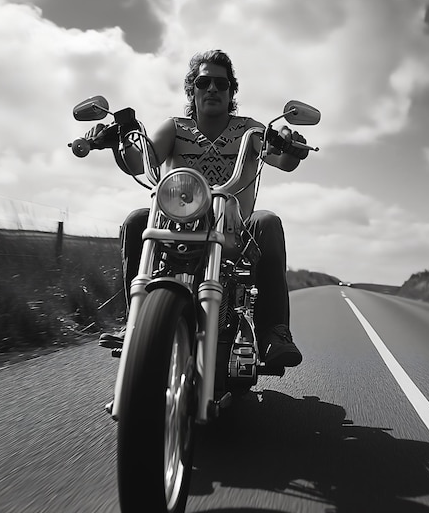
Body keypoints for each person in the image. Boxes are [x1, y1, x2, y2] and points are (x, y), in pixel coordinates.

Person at [92, 49, 309, 367]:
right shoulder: (174, 128)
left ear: (231, 91)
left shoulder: (248, 128)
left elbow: (281, 159)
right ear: (191, 89)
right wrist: (119, 142)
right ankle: (135, 322)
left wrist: (290, 143)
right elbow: (141, 161)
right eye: (204, 82)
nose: (212, 89)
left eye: (221, 84)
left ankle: (274, 332)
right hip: (177, 226)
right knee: (137, 219)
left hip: (236, 232)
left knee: (270, 221)